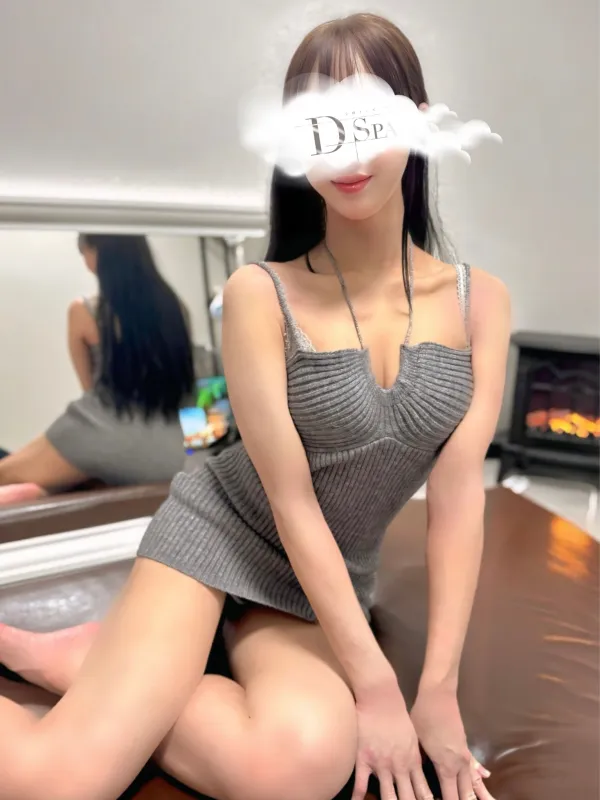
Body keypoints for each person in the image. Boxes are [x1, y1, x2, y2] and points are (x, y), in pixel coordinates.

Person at [0, 13, 510, 800]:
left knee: (302, 762)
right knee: (53, 781)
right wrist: (377, 685)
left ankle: (95, 661)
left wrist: (435, 690)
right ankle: (100, 668)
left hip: (328, 576)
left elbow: (456, 499)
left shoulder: (482, 302)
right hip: (220, 532)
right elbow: (290, 499)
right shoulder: (258, 293)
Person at [0, 234, 195, 505]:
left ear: (98, 252)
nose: (85, 262)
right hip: (171, 449)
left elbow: (91, 393)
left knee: (5, 471)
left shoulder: (84, 310)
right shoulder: (177, 309)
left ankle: (53, 486)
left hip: (104, 434)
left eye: (85, 253)